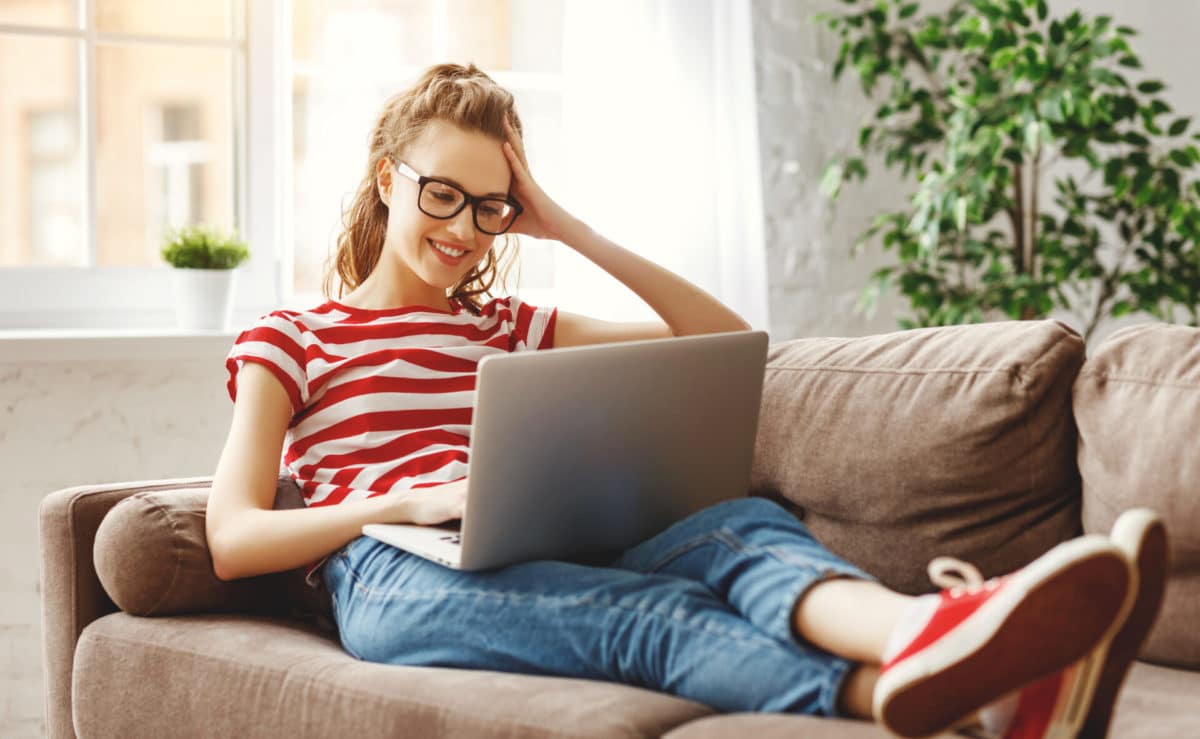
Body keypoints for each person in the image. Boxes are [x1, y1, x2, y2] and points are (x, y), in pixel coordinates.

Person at [207, 63, 1168, 738]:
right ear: (389, 179)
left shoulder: (506, 324)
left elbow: (722, 339)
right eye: (443, 195)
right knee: (655, 618)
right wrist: (398, 503)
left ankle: (937, 636)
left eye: (491, 204)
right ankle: (978, 695)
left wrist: (569, 228)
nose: (466, 228)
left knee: (735, 523)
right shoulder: (293, 336)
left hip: (524, 539)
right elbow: (233, 535)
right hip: (388, 573)